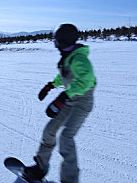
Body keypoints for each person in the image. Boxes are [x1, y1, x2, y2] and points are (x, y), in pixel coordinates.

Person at [23, 24, 96, 183]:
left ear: (63, 41)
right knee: (49, 131)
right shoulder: (68, 56)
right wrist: (50, 85)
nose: (55, 45)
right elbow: (64, 76)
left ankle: (70, 180)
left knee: (66, 137)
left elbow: (85, 81)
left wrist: (62, 97)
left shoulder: (80, 59)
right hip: (70, 101)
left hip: (82, 103)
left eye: (56, 41)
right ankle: (40, 167)